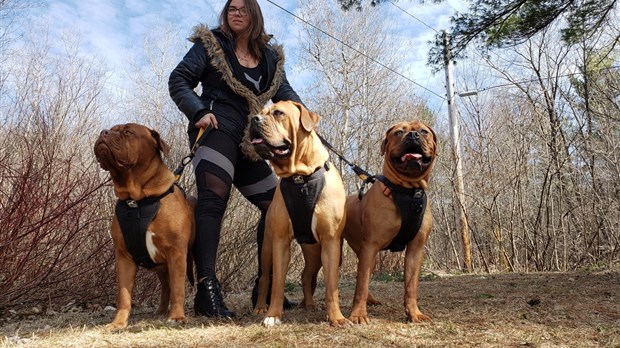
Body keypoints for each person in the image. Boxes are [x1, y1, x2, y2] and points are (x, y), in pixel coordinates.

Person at [168, 0, 302, 318]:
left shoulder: (269, 57)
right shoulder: (210, 44)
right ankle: (207, 290)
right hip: (215, 128)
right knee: (213, 200)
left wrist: (305, 120)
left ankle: (265, 287)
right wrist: (198, 111)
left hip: (251, 140)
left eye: (243, 8)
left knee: (276, 204)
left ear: (255, 14)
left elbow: (288, 95)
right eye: (231, 8)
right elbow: (179, 80)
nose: (236, 13)